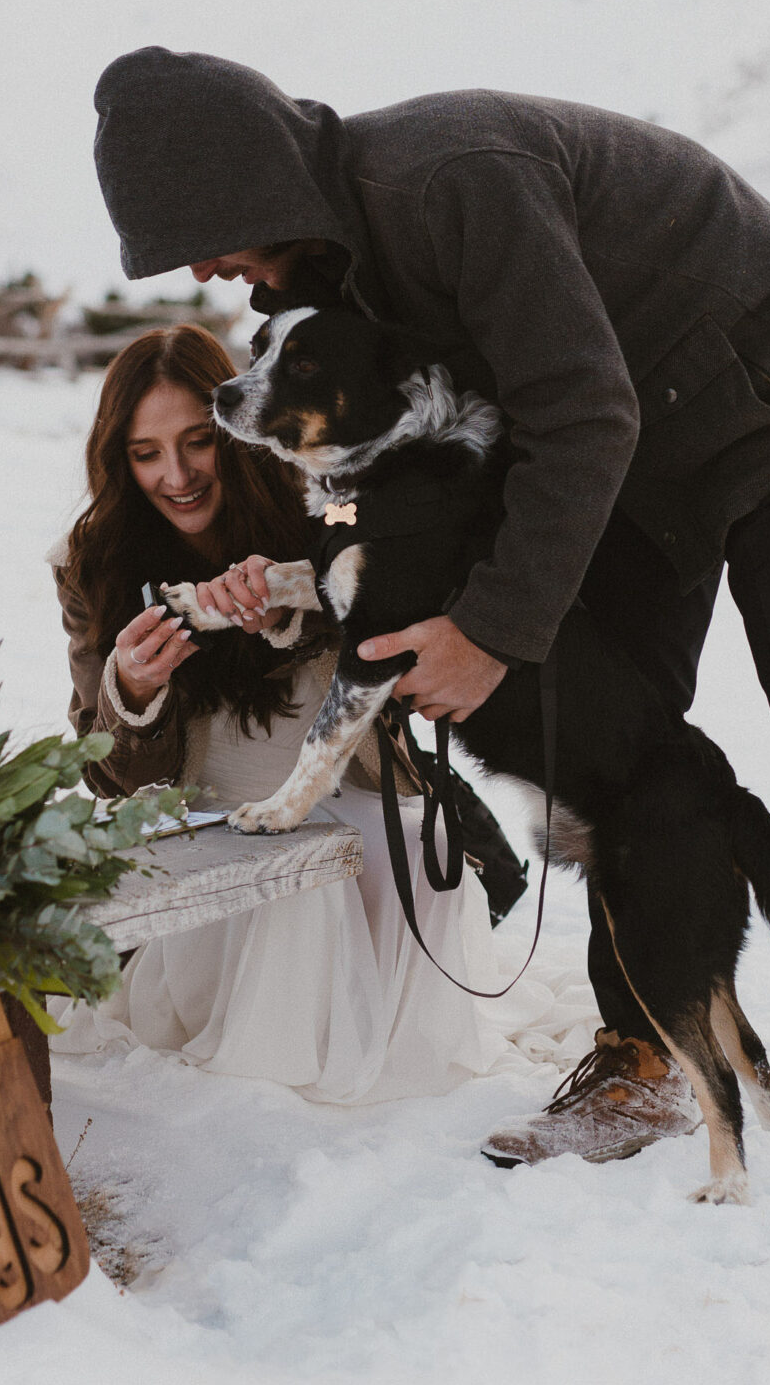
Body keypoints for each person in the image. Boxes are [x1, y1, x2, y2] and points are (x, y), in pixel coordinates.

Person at [91, 47, 770, 1230]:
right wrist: (325, 557)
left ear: (258, 183)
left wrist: (488, 626)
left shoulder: (450, 181)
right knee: (618, 748)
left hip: (756, 405)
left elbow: (584, 406)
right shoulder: (322, 276)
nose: (204, 268)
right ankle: (640, 1057)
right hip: (620, 456)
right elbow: (357, 472)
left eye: (203, 233)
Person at [50, 322, 513, 1102]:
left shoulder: (322, 507)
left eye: (197, 441)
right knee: (297, 874)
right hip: (201, 821)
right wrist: (130, 690)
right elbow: (107, 774)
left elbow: (395, 596)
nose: (177, 475)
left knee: (420, 843)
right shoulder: (95, 561)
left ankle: (392, 1057)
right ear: (119, 460)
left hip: (339, 789)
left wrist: (298, 594)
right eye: (145, 453)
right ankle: (274, 1063)